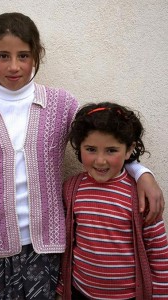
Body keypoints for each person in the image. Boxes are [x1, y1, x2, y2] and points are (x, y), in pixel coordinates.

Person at [0, 12, 164, 300]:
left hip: (49, 245)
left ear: (37, 55)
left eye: (24, 55)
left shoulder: (61, 105)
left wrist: (142, 173)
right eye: (3, 55)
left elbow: (98, 143)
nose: (14, 66)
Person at [56, 102, 168, 300]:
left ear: (128, 150)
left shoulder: (142, 196)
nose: (100, 160)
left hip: (128, 296)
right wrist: (63, 285)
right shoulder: (71, 189)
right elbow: (67, 242)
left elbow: (158, 253)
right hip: (81, 292)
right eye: (91, 149)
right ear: (78, 147)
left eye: (111, 150)